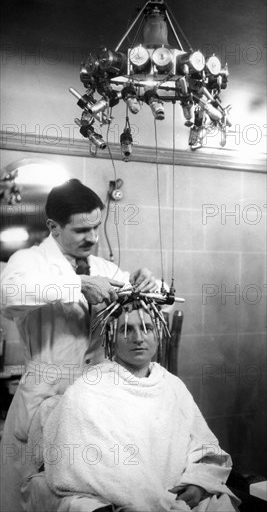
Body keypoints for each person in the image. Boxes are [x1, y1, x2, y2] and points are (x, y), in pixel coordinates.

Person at [0, 179, 158, 512]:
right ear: (53, 228)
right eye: (82, 230)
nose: (93, 237)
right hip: (45, 400)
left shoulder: (103, 268)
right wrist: (76, 285)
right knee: (38, 495)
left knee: (94, 494)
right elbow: (9, 295)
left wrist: (148, 282)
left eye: (97, 227)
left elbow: (157, 304)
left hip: (97, 403)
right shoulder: (28, 261)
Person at [39, 298, 239, 512]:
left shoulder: (172, 386)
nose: (138, 338)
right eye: (126, 329)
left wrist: (198, 484)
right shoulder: (88, 389)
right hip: (119, 503)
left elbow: (205, 449)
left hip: (180, 497)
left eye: (147, 328)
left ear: (158, 334)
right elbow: (76, 467)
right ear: (111, 337)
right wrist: (151, 499)